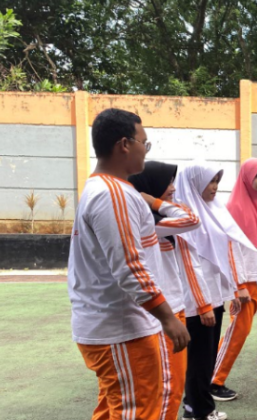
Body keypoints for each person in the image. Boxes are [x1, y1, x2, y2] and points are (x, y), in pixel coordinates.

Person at [68, 109, 190, 420]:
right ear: (124, 144)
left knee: (114, 409)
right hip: (122, 328)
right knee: (139, 410)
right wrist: (168, 318)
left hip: (114, 326)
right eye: (143, 144)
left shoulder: (104, 189)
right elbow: (130, 267)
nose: (145, 151)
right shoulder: (112, 194)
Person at [129, 161, 214, 420]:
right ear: (149, 185)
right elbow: (192, 219)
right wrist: (154, 202)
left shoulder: (158, 219)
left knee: (172, 385)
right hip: (160, 313)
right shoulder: (150, 222)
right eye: (167, 183)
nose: (173, 188)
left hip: (173, 308)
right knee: (167, 387)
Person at [175, 163, 257, 420]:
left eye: (217, 182)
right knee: (199, 358)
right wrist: (202, 304)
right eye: (210, 181)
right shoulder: (185, 216)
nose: (214, 187)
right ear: (194, 183)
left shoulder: (213, 210)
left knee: (207, 356)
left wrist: (232, 290)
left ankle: (195, 407)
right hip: (197, 302)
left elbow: (227, 250)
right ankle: (199, 410)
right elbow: (189, 265)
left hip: (213, 297)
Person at [212, 158, 257, 395]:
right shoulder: (233, 207)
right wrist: (237, 284)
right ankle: (214, 379)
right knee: (239, 329)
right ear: (246, 177)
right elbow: (228, 249)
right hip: (246, 279)